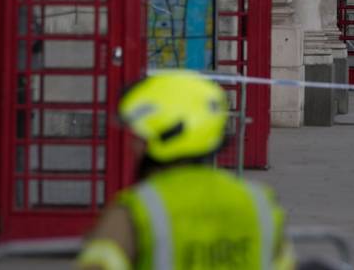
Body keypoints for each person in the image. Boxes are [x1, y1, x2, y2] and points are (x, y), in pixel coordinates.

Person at [77, 70, 295, 270]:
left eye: (139, 136)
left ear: (165, 137)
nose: (134, 145)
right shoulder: (260, 204)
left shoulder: (137, 212)